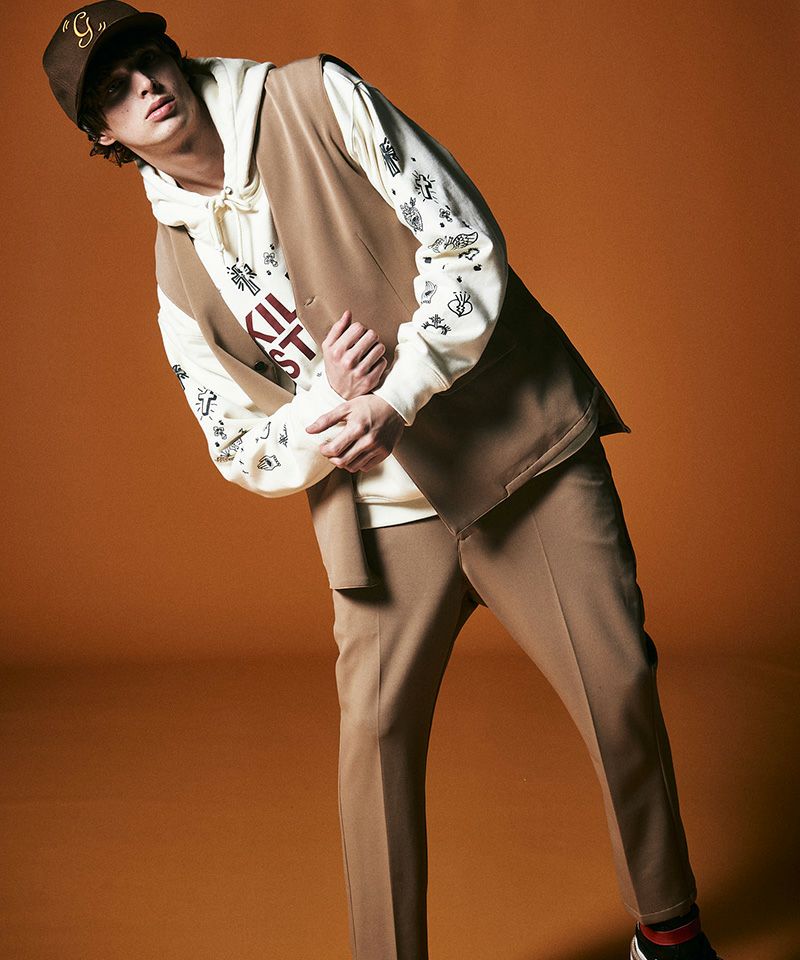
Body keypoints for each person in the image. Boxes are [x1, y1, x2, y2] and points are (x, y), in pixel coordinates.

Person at [43, 5, 724, 959]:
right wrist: (329, 410)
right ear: (103, 134)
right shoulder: (175, 266)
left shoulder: (316, 99)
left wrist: (397, 395)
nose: (144, 87)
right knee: (373, 751)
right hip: (378, 517)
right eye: (113, 90)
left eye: (145, 59)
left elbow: (464, 242)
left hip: (517, 454)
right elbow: (234, 440)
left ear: (173, 53)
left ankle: (668, 931)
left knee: (617, 688)